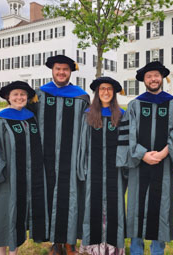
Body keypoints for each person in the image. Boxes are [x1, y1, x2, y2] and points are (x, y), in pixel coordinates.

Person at [116, 61, 173, 255]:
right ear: (144, 80)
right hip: (139, 166)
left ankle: (158, 250)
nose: (153, 79)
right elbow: (127, 133)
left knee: (161, 207)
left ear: (162, 78)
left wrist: (164, 153)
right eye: (149, 76)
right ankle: (136, 250)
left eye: (156, 75)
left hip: (162, 166)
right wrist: (142, 154)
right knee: (136, 207)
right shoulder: (134, 105)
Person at [0, 81, 47, 255]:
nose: (19, 97)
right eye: (15, 94)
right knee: (1, 216)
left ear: (27, 98)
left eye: (23, 94)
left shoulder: (31, 118)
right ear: (8, 97)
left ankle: (14, 252)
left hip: (26, 180)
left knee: (18, 216)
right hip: (4, 180)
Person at [30, 55, 90, 255]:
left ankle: (70, 242)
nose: (61, 72)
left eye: (65, 69)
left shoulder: (81, 96)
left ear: (70, 72)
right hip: (46, 158)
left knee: (72, 198)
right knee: (50, 198)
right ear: (52, 71)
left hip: (71, 158)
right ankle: (56, 242)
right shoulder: (40, 94)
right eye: (58, 69)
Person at [77, 77, 126, 255]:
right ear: (97, 93)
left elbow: (126, 143)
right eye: (102, 89)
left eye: (109, 89)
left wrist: (124, 167)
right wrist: (82, 167)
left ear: (114, 93)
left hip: (116, 170)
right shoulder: (88, 114)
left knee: (115, 206)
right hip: (93, 169)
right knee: (93, 205)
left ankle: (113, 247)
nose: (106, 92)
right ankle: (94, 247)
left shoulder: (122, 115)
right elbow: (83, 143)